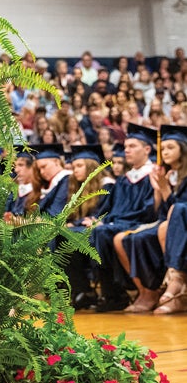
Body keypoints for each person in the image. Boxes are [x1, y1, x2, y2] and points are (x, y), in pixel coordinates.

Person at [114, 124, 187, 313]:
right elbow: (164, 211)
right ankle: (147, 291)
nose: (165, 152)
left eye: (171, 147)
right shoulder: (169, 175)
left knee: (164, 226)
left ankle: (176, 283)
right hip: (170, 221)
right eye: (163, 148)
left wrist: (163, 188)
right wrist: (160, 188)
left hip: (179, 223)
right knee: (128, 238)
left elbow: (178, 210)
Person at [88, 123, 156, 312]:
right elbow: (109, 208)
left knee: (102, 232)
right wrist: (102, 219)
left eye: (132, 146)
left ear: (147, 149)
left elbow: (149, 211)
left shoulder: (153, 175)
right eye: (125, 146)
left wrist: (111, 222)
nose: (127, 150)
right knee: (96, 230)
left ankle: (117, 291)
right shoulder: (125, 179)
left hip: (139, 223)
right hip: (117, 224)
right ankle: (109, 293)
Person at [63, 145, 110, 309]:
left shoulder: (107, 186)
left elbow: (105, 214)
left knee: (69, 237)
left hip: (99, 230)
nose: (75, 170)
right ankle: (80, 289)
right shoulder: (78, 188)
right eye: (74, 167)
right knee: (62, 236)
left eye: (79, 166)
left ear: (91, 166)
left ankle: (85, 290)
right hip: (82, 230)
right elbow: (76, 218)